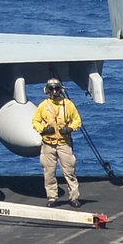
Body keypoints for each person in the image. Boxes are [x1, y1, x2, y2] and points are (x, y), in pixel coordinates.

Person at [31, 78, 83, 208]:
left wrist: (70, 128)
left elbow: (77, 120)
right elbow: (35, 122)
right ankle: (52, 197)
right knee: (49, 172)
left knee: (69, 171)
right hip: (48, 144)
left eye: (57, 89)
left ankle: (74, 197)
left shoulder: (68, 105)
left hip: (64, 143)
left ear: (61, 90)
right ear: (47, 91)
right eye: (52, 89)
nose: (54, 91)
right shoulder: (43, 106)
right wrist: (43, 130)